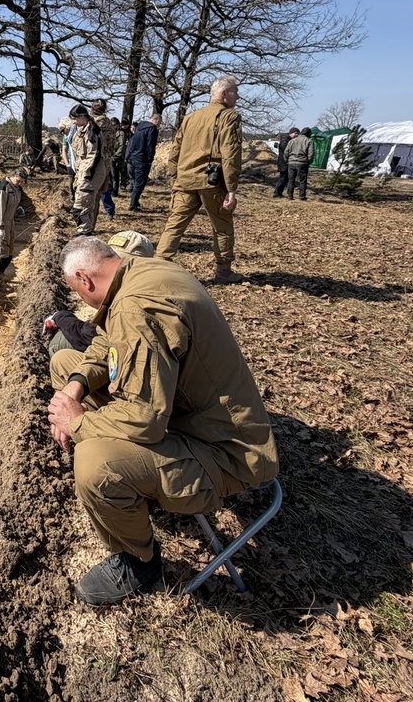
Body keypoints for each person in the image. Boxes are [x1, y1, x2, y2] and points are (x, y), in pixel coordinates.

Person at [46, 236, 279, 605]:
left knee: (95, 465)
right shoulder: (139, 273)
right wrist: (76, 387)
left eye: (77, 291)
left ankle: (139, 561)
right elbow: (106, 341)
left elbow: (145, 420)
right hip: (185, 415)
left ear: (85, 279)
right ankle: (126, 488)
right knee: (65, 365)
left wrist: (77, 423)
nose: (81, 298)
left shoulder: (135, 308)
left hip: (224, 451)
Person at [155, 76, 246, 284]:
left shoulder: (191, 117)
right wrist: (231, 189)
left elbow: (174, 151)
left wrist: (175, 178)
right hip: (211, 182)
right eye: (235, 91)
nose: (238, 96)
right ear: (224, 94)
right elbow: (230, 154)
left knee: (174, 225)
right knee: (222, 226)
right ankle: (223, 273)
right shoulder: (230, 117)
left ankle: (158, 267)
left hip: (185, 181)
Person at [42, 230, 154, 355]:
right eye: (110, 258)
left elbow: (94, 337)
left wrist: (62, 318)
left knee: (59, 344)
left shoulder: (130, 304)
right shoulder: (147, 283)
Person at [69, 104, 107, 236]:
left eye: (75, 118)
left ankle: (85, 231)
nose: (73, 122)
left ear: (82, 116)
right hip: (83, 171)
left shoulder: (92, 131)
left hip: (91, 172)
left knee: (81, 205)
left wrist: (86, 175)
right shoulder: (80, 131)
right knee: (84, 204)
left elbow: (93, 156)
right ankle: (85, 231)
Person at [0, 169, 27, 282]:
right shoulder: (4, 188)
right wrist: (0, 227)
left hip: (10, 221)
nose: (20, 183)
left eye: (22, 182)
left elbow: (13, 203)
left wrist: (18, 209)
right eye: (19, 180)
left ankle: (1, 272)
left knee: (9, 249)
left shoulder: (16, 188)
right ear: (14, 176)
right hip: (1, 222)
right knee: (0, 250)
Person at [124, 113, 161, 211]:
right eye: (159, 122)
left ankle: (135, 202)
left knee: (135, 180)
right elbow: (150, 145)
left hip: (132, 157)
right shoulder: (152, 129)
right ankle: (133, 205)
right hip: (142, 159)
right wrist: (150, 159)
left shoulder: (140, 126)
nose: (159, 125)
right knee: (140, 182)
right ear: (156, 120)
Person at [92, 101, 118, 218]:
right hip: (106, 160)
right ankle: (109, 210)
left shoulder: (92, 123)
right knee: (104, 187)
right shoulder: (109, 124)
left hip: (94, 161)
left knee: (93, 189)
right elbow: (113, 145)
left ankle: (91, 216)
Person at [283, 127, 315, 201]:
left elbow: (286, 152)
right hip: (302, 162)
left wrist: (287, 161)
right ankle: (302, 197)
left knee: (291, 180)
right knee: (302, 181)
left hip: (291, 162)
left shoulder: (292, 140)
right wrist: (308, 162)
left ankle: (290, 196)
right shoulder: (309, 140)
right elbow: (311, 153)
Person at [273, 127, 297, 198]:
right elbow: (285, 149)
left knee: (285, 178)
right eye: (296, 133)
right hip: (283, 162)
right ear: (291, 133)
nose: (296, 135)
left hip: (285, 162)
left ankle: (279, 193)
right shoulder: (286, 139)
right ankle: (277, 194)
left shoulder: (288, 139)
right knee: (283, 178)